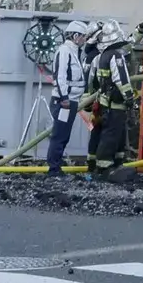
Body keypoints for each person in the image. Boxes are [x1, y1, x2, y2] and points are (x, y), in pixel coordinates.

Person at [84, 21, 134, 179]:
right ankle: (105, 167)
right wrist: (130, 97)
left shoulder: (100, 58)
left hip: (104, 103)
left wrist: (90, 102)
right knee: (111, 135)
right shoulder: (116, 56)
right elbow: (122, 79)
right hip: (116, 104)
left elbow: (93, 82)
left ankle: (114, 164)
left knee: (113, 135)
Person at [45, 20, 91, 176]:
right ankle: (53, 168)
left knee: (64, 135)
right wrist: (64, 97)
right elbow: (61, 76)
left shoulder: (74, 52)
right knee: (59, 135)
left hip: (70, 101)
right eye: (83, 36)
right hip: (64, 101)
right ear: (75, 36)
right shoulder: (65, 51)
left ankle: (56, 165)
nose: (84, 40)